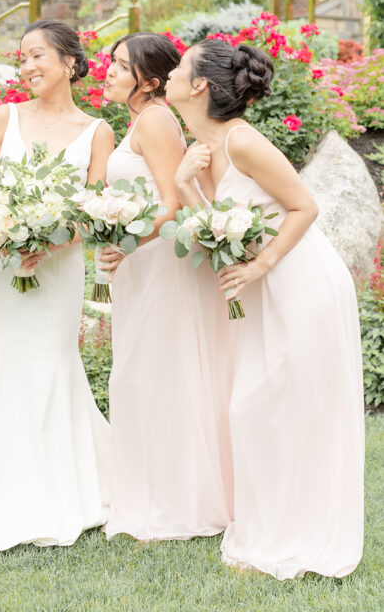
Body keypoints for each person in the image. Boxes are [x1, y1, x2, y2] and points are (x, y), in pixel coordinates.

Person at [165, 38, 364, 580]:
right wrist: (184, 183)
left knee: (282, 410)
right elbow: (210, 232)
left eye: (180, 68)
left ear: (200, 85)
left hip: (299, 281)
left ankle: (296, 537)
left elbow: (305, 206)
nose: (171, 74)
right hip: (258, 291)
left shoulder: (243, 141)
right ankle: (266, 527)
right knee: (254, 410)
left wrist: (259, 267)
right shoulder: (198, 145)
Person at [0, 20, 115, 551]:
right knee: (8, 365)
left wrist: (53, 238)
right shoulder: (5, 117)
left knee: (52, 362)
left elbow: (93, 210)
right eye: (21, 58)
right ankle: (5, 492)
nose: (27, 66)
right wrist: (1, 231)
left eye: (37, 55)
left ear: (70, 62)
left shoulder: (98, 131)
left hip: (58, 266)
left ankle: (65, 490)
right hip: (2, 268)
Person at [100, 33, 233, 541]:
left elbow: (172, 203)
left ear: (149, 82)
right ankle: (155, 489)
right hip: (143, 263)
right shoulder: (142, 118)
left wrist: (125, 239)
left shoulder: (155, 119)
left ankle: (175, 500)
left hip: (158, 264)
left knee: (154, 373)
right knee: (143, 372)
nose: (108, 72)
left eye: (119, 65)